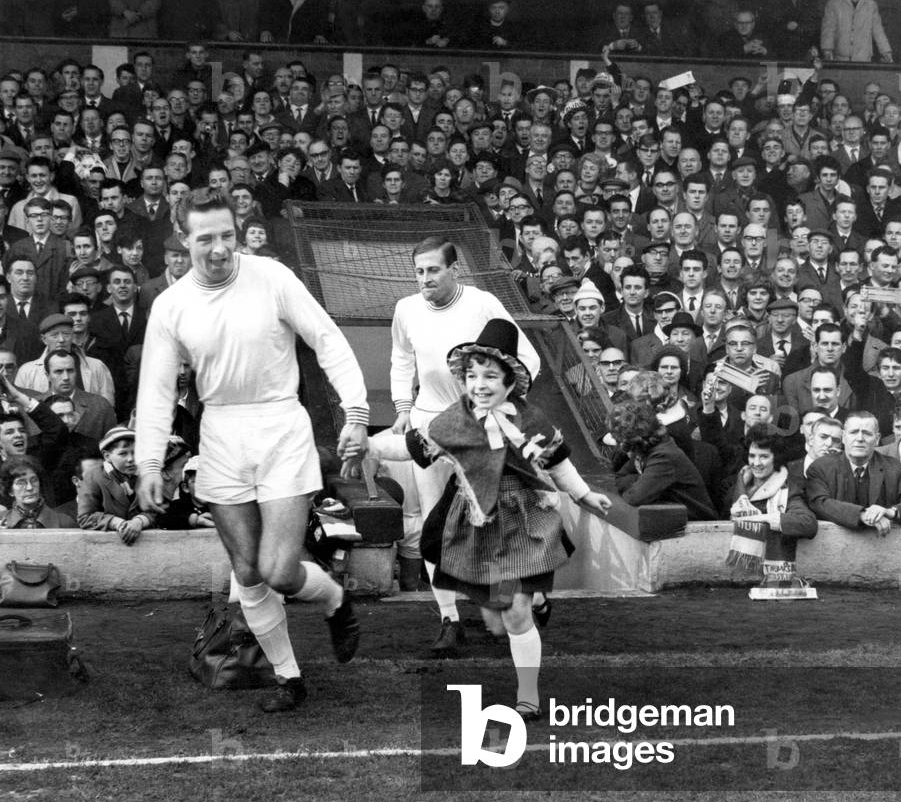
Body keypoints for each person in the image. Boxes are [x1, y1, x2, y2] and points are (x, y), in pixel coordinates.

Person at [135, 188, 367, 713]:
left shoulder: (273, 278)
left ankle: (334, 599)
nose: (218, 249)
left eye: (227, 236)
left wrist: (355, 412)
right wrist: (149, 461)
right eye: (205, 239)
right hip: (220, 433)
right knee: (246, 571)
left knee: (280, 569)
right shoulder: (171, 306)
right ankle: (289, 677)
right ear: (181, 239)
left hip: (281, 424)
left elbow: (327, 339)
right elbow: (155, 389)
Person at [360, 319, 610, 721]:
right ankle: (533, 600)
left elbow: (558, 462)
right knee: (496, 619)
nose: (479, 383)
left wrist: (583, 494)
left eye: (490, 375)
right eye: (472, 374)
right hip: (475, 520)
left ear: (510, 382)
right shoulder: (455, 419)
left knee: (513, 612)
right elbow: (411, 448)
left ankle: (528, 694)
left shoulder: (531, 419)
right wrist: (367, 445)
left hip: (524, 521)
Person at [389, 236, 541, 656]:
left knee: (495, 521)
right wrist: (403, 407)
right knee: (435, 528)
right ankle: (449, 619)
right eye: (418, 271)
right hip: (429, 421)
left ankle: (522, 597)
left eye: (433, 270)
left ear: (455, 269)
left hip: (481, 428)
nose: (425, 279)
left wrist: (502, 409)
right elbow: (401, 357)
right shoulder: (405, 309)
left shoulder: (483, 303)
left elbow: (528, 357)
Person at [806, 412, 901, 532]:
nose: (860, 438)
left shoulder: (893, 468)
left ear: (877, 438)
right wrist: (862, 514)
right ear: (844, 437)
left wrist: (890, 512)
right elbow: (818, 503)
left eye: (867, 433)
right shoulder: (821, 468)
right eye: (854, 432)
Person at [609, 397, 718, 520]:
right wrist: (645, 482)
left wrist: (647, 485)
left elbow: (634, 497)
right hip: (675, 521)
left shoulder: (664, 455)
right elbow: (619, 478)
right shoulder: (644, 448)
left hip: (699, 528)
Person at [727, 426, 818, 560]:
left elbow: (808, 523)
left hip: (767, 568)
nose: (756, 463)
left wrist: (761, 518)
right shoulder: (738, 484)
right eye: (752, 456)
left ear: (776, 458)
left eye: (764, 456)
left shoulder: (787, 488)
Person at [0, 454, 77, 528]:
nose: (29, 487)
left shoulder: (64, 522)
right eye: (21, 483)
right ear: (10, 491)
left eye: (34, 480)